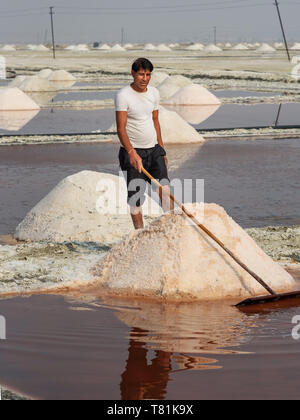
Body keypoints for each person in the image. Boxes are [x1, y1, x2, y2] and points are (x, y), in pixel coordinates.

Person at [115, 57, 174, 230]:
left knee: (165, 189)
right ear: (133, 73)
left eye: (148, 75)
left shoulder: (154, 93)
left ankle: (170, 227)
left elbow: (155, 120)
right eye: (141, 74)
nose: (145, 78)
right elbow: (120, 128)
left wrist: (162, 149)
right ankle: (139, 233)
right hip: (132, 152)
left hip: (154, 150)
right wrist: (131, 153)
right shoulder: (123, 95)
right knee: (136, 196)